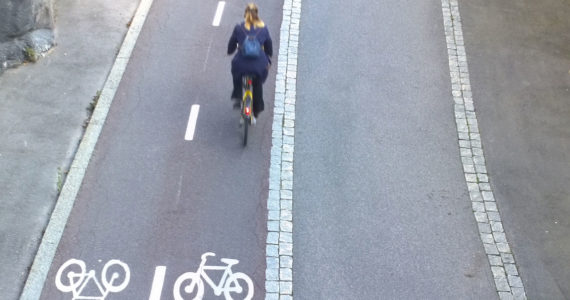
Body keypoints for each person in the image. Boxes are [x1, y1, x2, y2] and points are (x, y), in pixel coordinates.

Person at [227, 3, 273, 124]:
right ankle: (257, 109)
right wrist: (268, 55)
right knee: (258, 82)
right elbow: (269, 48)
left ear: (245, 14)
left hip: (241, 64)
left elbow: (231, 45)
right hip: (259, 65)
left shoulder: (239, 27)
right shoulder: (264, 28)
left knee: (235, 69)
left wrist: (230, 51)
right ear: (257, 14)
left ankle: (237, 95)